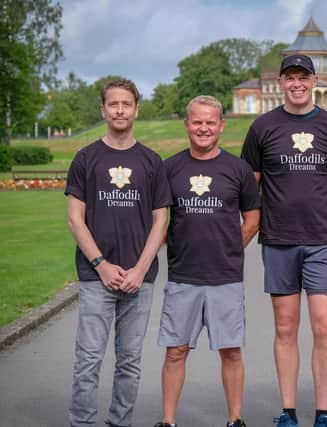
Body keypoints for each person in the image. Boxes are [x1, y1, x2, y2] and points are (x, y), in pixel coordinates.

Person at [241, 54, 327, 427]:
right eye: (290, 77)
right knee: (285, 327)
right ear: (281, 82)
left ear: (315, 80)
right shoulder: (262, 128)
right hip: (279, 239)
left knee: (324, 325)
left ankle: (322, 411)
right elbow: (249, 186)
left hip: (322, 239)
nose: (297, 84)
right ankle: (288, 411)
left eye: (303, 77)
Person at [65, 78, 172, 427]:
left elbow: (160, 222)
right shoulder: (86, 158)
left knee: (129, 361)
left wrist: (140, 270)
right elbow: (75, 219)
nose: (120, 110)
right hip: (97, 278)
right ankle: (81, 422)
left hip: (139, 280)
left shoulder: (152, 161)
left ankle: (119, 422)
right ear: (103, 109)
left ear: (136, 109)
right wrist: (101, 265)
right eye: (114, 104)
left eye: (127, 104)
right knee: (89, 358)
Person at [154, 95, 261, 427]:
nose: (203, 128)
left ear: (221, 125)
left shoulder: (238, 169)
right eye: (197, 122)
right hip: (183, 275)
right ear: (187, 125)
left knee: (230, 351)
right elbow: (158, 221)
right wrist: (181, 244)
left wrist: (229, 247)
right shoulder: (169, 168)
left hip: (225, 277)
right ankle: (168, 422)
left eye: (210, 122)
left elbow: (252, 219)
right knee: (176, 351)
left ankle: (234, 420)